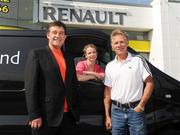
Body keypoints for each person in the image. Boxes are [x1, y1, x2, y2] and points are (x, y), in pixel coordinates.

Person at [25, 21, 79, 135]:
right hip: (45, 118)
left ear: (65, 37)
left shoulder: (69, 58)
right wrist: (34, 115)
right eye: (54, 32)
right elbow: (31, 88)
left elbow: (73, 85)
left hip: (68, 117)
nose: (57, 36)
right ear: (48, 35)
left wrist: (75, 111)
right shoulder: (37, 54)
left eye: (61, 33)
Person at [103, 29, 154, 135]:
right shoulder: (110, 66)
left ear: (127, 43)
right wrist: (108, 116)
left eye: (122, 42)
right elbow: (108, 91)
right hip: (116, 111)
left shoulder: (138, 60)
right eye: (116, 43)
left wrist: (141, 105)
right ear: (112, 46)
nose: (119, 45)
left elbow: (150, 83)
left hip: (135, 110)